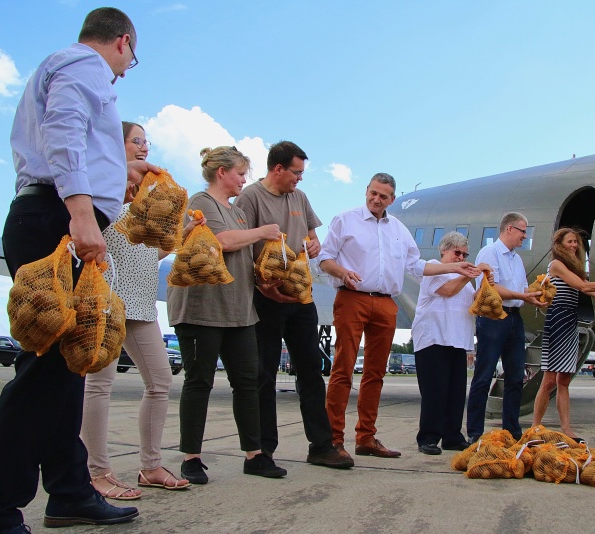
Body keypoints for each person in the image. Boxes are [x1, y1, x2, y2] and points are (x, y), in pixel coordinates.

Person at [0, 8, 147, 533]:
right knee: (43, 375)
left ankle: (69, 491)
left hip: (48, 214)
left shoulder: (63, 66)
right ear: (123, 42)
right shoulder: (86, 66)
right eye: (132, 57)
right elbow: (64, 130)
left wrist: (119, 169)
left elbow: (70, 139)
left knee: (67, 369)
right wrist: (84, 213)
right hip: (57, 222)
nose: (129, 67)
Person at [319, 174, 481, 458]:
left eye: (383, 196)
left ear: (392, 199)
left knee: (375, 374)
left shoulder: (399, 229)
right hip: (352, 297)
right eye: (372, 193)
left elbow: (416, 266)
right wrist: (342, 272)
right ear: (366, 191)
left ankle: (366, 438)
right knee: (343, 369)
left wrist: (456, 269)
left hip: (385, 304)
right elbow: (324, 258)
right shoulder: (345, 219)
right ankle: (333, 440)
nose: (376, 199)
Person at [80, 122, 193, 501]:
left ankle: (150, 467)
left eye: (147, 141)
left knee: (161, 381)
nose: (144, 147)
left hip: (142, 302)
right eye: (136, 140)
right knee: (99, 385)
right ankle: (96, 472)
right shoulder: (103, 188)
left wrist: (181, 238)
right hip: (107, 299)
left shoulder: (150, 196)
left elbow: (146, 253)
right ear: (117, 143)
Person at [168, 146, 289, 483]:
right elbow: (222, 241)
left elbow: (241, 256)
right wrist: (264, 231)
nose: (243, 180)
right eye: (239, 174)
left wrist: (269, 276)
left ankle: (255, 455)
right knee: (199, 381)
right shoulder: (200, 203)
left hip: (238, 311)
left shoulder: (236, 212)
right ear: (221, 173)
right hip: (200, 309)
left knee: (249, 382)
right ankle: (191, 457)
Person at [234, 141, 353, 469]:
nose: (300, 179)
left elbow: (313, 235)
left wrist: (314, 245)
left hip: (301, 297)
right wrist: (262, 285)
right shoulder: (250, 198)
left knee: (311, 369)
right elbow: (241, 247)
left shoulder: (299, 198)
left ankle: (321, 446)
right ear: (277, 169)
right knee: (264, 373)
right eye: (296, 173)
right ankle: (262, 453)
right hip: (266, 298)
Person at [530, 228, 595, 441]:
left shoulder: (575, 268)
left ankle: (566, 428)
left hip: (570, 320)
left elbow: (594, 293)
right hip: (557, 320)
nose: (574, 245)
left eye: (576, 242)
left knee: (564, 379)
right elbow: (584, 287)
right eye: (569, 241)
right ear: (559, 244)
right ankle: (536, 426)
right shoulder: (556, 265)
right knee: (550, 379)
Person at [466, 213, 548, 442]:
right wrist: (523, 295)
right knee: (483, 375)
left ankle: (512, 432)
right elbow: (492, 289)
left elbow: (520, 290)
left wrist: (533, 297)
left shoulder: (517, 259)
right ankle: (474, 432)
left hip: (514, 317)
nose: (525, 235)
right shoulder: (489, 253)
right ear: (509, 229)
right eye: (523, 231)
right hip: (493, 318)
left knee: (515, 376)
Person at [411, 232, 485, 455]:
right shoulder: (434, 268)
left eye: (464, 254)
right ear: (444, 251)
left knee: (455, 392)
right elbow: (448, 290)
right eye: (457, 253)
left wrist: (485, 284)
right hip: (433, 338)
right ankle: (428, 437)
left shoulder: (464, 279)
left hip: (457, 340)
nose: (460, 257)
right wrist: (467, 274)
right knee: (435, 391)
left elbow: (475, 301)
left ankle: (452, 436)